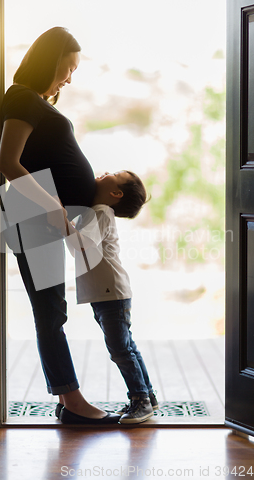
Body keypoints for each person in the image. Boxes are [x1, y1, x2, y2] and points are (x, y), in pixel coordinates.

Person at [0, 27, 120, 425]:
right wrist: (54, 206)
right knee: (49, 311)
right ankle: (72, 402)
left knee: (54, 309)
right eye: (67, 68)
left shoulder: (33, 101)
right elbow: (9, 162)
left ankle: (68, 400)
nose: (69, 78)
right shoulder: (20, 97)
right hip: (33, 217)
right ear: (48, 60)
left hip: (44, 218)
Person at [63, 170, 159, 424]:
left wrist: (63, 222)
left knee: (119, 350)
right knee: (126, 346)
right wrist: (69, 227)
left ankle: (141, 401)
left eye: (115, 174)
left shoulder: (102, 211)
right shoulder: (95, 212)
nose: (106, 172)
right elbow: (80, 249)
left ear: (116, 193)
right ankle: (147, 394)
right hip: (108, 292)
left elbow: (82, 244)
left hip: (110, 293)